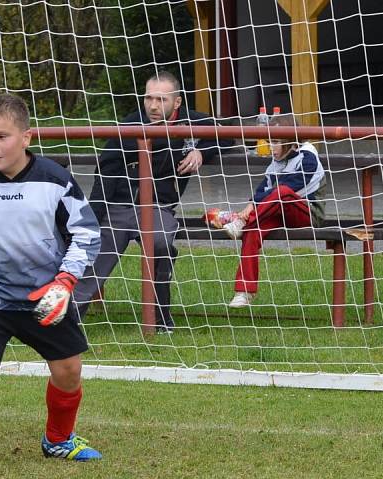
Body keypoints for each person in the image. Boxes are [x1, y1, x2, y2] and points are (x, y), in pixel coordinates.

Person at [0, 93, 102, 461]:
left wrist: (65, 282)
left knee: (69, 369)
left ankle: (58, 440)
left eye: (2, 137)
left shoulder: (56, 181)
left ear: (26, 137)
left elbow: (87, 233)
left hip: (43, 295)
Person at [72, 70, 225, 332]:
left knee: (160, 243)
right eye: (148, 98)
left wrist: (202, 151)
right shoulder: (130, 126)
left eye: (161, 100)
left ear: (177, 103)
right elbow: (104, 173)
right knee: (92, 255)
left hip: (157, 208)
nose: (153, 106)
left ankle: (160, 320)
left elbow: (227, 135)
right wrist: (93, 219)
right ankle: (67, 316)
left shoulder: (192, 122)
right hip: (117, 208)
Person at [211, 113, 325, 307]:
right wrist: (250, 204)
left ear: (291, 142)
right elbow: (264, 187)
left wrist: (252, 208)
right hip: (276, 211)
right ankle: (244, 291)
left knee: (283, 191)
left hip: (306, 213)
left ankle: (239, 221)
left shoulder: (308, 156)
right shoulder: (277, 160)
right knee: (253, 229)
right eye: (269, 141)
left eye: (276, 142)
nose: (271, 147)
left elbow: (291, 185)